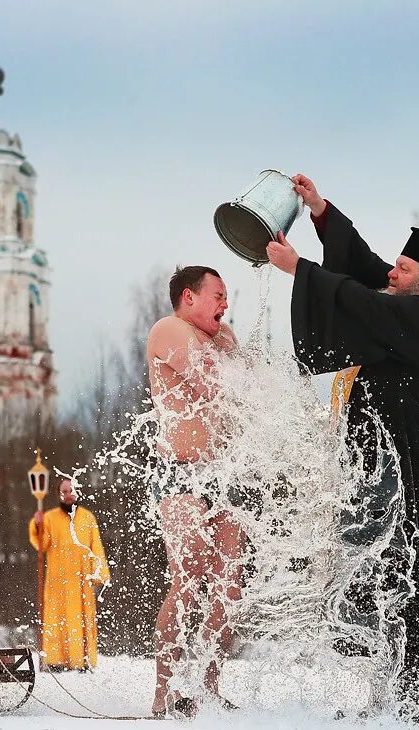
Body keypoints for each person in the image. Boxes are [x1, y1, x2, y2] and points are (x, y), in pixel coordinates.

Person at [266, 174, 419, 724]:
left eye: (402, 270)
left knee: (417, 578)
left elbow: (364, 302)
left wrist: (300, 271)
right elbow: (366, 267)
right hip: (384, 462)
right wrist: (322, 211)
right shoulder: (412, 297)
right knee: (381, 570)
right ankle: (399, 695)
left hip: (417, 463)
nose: (391, 274)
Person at [145, 265, 243, 718]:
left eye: (226, 298)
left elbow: (253, 392)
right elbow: (216, 387)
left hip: (222, 474)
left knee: (230, 585)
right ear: (190, 297)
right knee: (191, 571)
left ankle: (209, 684)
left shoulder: (223, 338)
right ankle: (163, 694)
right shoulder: (169, 329)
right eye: (218, 296)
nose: (225, 305)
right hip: (180, 471)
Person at [29, 478, 111, 671]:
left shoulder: (87, 517)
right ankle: (55, 660)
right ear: (59, 494)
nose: (68, 495)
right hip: (57, 580)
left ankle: (82, 660)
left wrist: (99, 573)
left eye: (71, 491)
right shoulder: (50, 517)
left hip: (81, 579)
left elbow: (96, 546)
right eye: (64, 491)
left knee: (81, 620)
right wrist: (38, 525)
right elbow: (42, 545)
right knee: (56, 619)